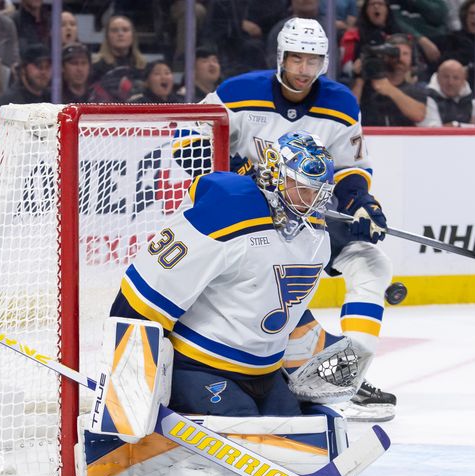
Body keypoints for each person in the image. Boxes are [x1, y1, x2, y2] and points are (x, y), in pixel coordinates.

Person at [201, 18, 398, 420]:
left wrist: (360, 202)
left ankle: (347, 377)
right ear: (280, 57)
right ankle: (301, 368)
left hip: (310, 216)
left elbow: (349, 167)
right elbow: (187, 142)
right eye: (295, 59)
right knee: (276, 292)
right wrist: (237, 173)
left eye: (312, 61)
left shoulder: (340, 103)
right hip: (249, 221)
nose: (303, 70)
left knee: (371, 263)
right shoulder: (237, 93)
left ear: (324, 62)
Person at [109, 131, 336, 417]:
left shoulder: (314, 230)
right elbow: (147, 291)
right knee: (250, 435)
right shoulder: (230, 210)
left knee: (303, 431)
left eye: (319, 191)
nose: (311, 200)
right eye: (303, 187)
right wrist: (127, 380)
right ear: (275, 173)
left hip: (265, 371)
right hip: (198, 366)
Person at [351, 33, 427, 126]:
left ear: (412, 59)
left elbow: (419, 115)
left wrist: (389, 89)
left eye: (405, 54)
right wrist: (359, 77)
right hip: (368, 138)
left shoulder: (416, 90)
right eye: (394, 53)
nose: (400, 58)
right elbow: (349, 113)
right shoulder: (364, 87)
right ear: (384, 55)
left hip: (402, 139)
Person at [418, 58, 475, 126]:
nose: (450, 82)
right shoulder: (427, 99)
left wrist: (456, 125)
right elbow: (434, 132)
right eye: (446, 77)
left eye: (456, 78)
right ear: (437, 77)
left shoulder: (471, 101)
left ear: (463, 81)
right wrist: (470, 124)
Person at [0, 42, 50, 116]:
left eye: (47, 66)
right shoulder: (8, 104)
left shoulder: (54, 98)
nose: (43, 71)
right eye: (38, 66)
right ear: (23, 69)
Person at [90, 15, 147, 84]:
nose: (120, 34)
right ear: (107, 36)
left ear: (133, 35)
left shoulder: (143, 66)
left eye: (125, 30)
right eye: (114, 30)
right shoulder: (95, 67)